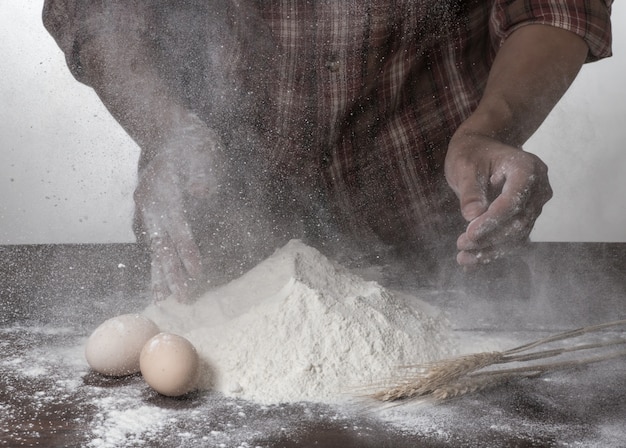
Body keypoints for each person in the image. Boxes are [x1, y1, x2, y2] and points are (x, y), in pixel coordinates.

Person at [42, 0, 613, 302]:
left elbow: (552, 2)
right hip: (220, 233)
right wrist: (168, 130)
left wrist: (491, 128)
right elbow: (97, 8)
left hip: (442, 235)